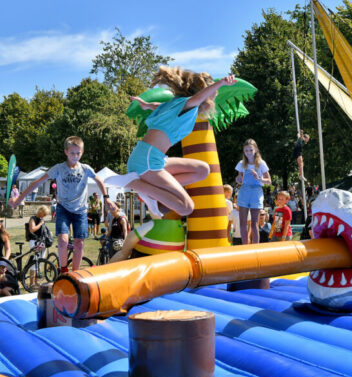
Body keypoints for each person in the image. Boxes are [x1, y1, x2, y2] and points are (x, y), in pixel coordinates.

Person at [112, 67, 237, 217]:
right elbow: (196, 99)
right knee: (186, 208)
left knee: (202, 169)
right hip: (147, 162)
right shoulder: (189, 103)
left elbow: (159, 106)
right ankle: (135, 184)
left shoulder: (175, 104)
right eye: (212, 96)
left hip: (150, 158)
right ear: (205, 94)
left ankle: (150, 190)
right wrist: (221, 83)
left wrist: (147, 105)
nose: (213, 100)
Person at [10, 136, 116, 273]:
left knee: (79, 243)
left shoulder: (85, 168)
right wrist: (19, 199)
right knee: (63, 241)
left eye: (78, 153)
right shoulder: (58, 169)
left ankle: (76, 274)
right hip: (63, 209)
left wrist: (106, 198)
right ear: (66, 152)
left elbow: (99, 181)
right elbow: (36, 183)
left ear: (82, 152)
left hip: (81, 211)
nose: (75, 156)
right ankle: (64, 270)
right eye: (72, 153)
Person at [235, 139, 271, 244]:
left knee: (254, 223)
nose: (248, 152)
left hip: (256, 193)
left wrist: (258, 178)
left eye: (250, 150)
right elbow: (239, 178)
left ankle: (255, 247)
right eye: (246, 150)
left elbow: (269, 181)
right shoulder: (241, 164)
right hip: (244, 192)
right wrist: (238, 179)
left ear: (255, 150)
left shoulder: (261, 163)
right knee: (243, 223)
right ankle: (245, 246)